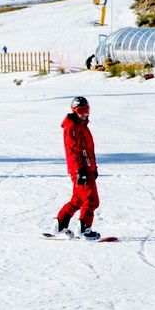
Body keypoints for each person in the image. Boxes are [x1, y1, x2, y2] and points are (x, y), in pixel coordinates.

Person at [52, 96, 101, 240]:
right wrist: (79, 171)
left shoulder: (82, 126)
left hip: (87, 169)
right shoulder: (72, 127)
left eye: (87, 110)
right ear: (74, 110)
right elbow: (72, 152)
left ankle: (60, 225)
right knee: (91, 200)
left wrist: (93, 168)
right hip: (81, 170)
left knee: (78, 200)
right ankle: (84, 230)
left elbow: (88, 151)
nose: (84, 114)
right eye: (81, 110)